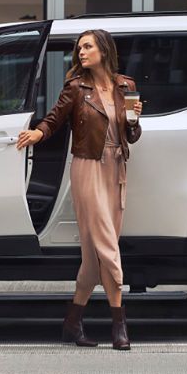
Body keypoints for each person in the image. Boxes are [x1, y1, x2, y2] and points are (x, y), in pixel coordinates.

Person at [16, 29, 144, 350]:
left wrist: (134, 120)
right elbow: (55, 118)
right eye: (79, 48)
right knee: (108, 246)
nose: (81, 52)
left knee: (92, 257)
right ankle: (120, 325)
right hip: (87, 167)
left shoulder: (125, 86)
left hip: (116, 168)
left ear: (103, 49)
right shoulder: (76, 87)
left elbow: (132, 135)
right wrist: (37, 134)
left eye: (87, 46)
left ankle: (72, 324)